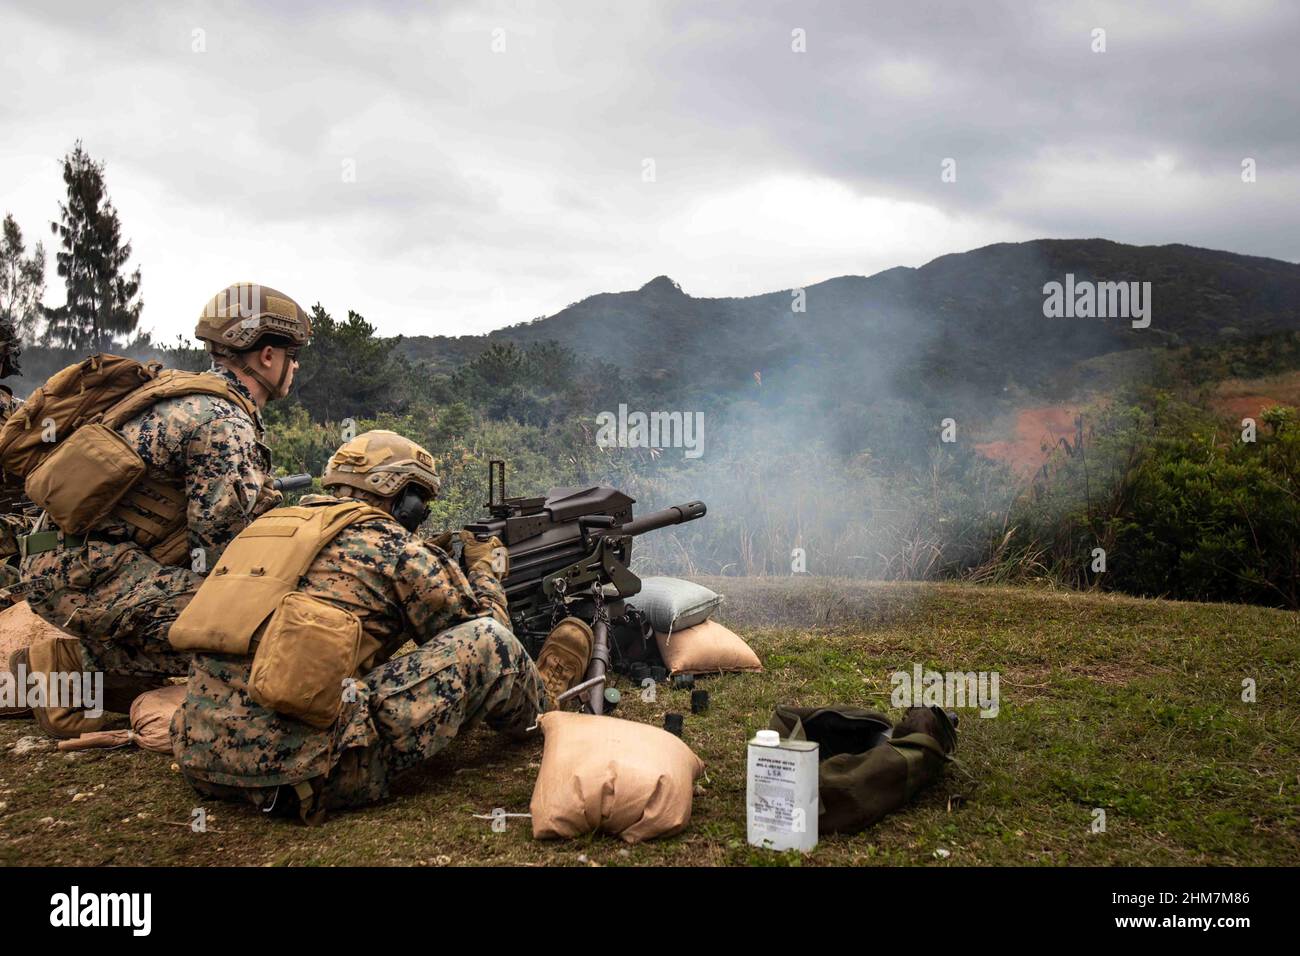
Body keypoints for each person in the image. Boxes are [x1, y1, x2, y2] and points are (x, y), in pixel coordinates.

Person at [170, 429, 594, 823]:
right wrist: (484, 572)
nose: (421, 515)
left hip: (202, 760)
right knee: (490, 642)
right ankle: (545, 705)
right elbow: (487, 639)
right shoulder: (396, 548)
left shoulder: (264, 531)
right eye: (419, 502)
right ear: (401, 496)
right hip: (304, 775)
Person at [11, 283, 310, 735]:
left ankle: (73, 670)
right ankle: (101, 677)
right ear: (267, 356)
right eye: (293, 353)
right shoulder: (223, 422)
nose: (296, 365)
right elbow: (221, 559)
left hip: (68, 562)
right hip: (89, 573)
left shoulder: (184, 394)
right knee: (270, 627)